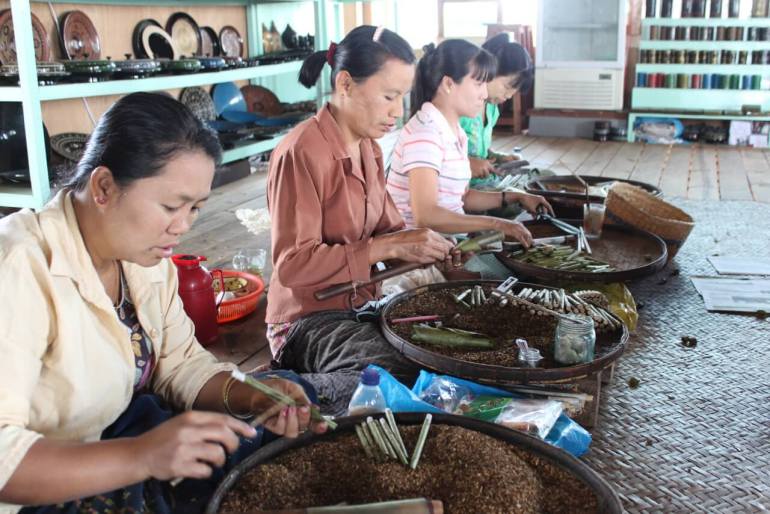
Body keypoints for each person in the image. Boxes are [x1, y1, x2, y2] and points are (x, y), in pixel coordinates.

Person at [0, 93, 325, 514]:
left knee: (284, 403)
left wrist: (254, 397)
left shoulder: (144, 258)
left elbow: (181, 365)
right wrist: (143, 457)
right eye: (172, 206)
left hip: (117, 430)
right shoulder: (19, 266)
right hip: (44, 483)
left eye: (194, 208)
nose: (183, 225)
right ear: (103, 187)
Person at [266, 26, 455, 416]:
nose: (398, 110)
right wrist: (385, 248)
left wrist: (428, 250)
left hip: (357, 307)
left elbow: (390, 233)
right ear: (346, 84)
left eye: (402, 96)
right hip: (304, 322)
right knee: (389, 377)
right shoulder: (301, 152)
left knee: (437, 354)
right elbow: (292, 266)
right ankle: (271, 393)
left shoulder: (368, 147)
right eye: (389, 96)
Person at [386, 39, 552, 247]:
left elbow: (462, 198)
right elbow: (426, 216)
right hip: (418, 252)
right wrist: (498, 224)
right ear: (448, 84)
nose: (484, 94)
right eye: (478, 83)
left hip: (448, 244)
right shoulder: (425, 133)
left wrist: (512, 196)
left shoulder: (455, 132)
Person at [462, 33, 534, 181]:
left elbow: (480, 151)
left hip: (483, 182)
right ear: (489, 70)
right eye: (506, 88)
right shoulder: (460, 109)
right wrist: (467, 164)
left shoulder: (491, 109)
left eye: (513, 93)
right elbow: (438, 156)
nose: (508, 96)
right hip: (462, 189)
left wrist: (498, 158)